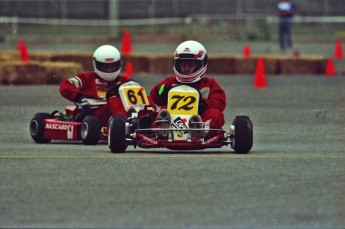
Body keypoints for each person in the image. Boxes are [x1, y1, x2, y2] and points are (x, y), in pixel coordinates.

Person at [150, 40, 226, 136]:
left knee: (215, 113)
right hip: (173, 118)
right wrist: (161, 91)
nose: (186, 69)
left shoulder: (209, 84)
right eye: (183, 65)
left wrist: (203, 103)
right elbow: (154, 96)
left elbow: (220, 102)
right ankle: (161, 128)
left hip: (199, 117)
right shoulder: (170, 81)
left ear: (201, 64)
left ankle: (203, 129)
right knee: (164, 110)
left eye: (190, 65)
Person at [59, 44, 130, 126]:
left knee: (147, 99)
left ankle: (144, 123)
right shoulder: (86, 78)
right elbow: (65, 85)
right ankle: (124, 125)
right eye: (105, 67)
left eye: (112, 66)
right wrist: (80, 98)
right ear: (97, 64)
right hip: (95, 116)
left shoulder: (124, 81)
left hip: (121, 115)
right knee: (114, 100)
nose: (109, 70)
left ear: (118, 64)